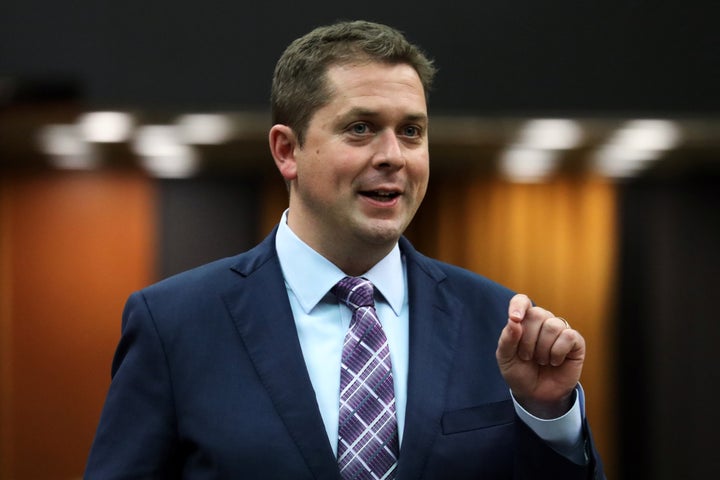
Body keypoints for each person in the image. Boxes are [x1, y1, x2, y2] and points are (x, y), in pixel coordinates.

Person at [85, 20, 605, 479]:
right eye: (361, 129)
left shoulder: (497, 322)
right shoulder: (175, 324)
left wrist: (548, 414)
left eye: (411, 131)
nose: (393, 156)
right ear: (287, 151)